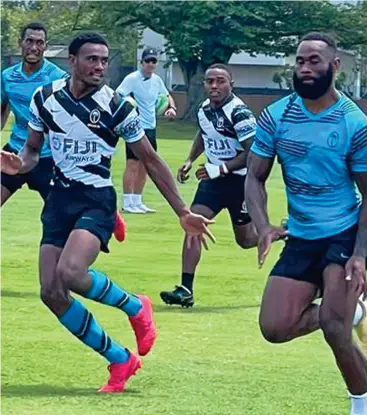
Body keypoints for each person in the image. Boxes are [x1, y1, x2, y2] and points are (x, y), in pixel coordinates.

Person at [0, 33, 214, 393]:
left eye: (103, 60)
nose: (99, 67)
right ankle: (120, 359)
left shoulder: (117, 106)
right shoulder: (45, 98)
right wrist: (20, 164)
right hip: (59, 200)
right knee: (50, 293)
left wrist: (181, 210)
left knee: (70, 273)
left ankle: (135, 306)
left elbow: (149, 158)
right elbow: (34, 151)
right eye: (91, 60)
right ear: (72, 61)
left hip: (96, 200)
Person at [245, 32, 367, 415]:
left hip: (344, 233)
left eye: (314, 62)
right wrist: (264, 224)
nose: (305, 69)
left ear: (334, 66)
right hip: (301, 234)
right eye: (300, 61)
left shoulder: (355, 124)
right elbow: (254, 175)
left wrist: (359, 254)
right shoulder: (276, 116)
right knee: (274, 326)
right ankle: (358, 311)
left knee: (333, 328)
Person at [1, 22, 127, 242]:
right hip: (16, 150)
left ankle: (106, 213)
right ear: (20, 43)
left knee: (65, 218)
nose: (34, 47)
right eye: (29, 41)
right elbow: (3, 111)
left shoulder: (57, 78)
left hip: (51, 157)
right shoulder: (7, 76)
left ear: (45, 47)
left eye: (40, 43)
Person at [160, 64, 258, 307]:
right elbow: (204, 135)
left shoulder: (240, 113)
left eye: (220, 81)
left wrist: (222, 168)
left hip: (240, 182)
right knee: (193, 223)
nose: (214, 86)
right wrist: (190, 160)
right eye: (210, 81)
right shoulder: (204, 109)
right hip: (212, 181)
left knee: (245, 240)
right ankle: (185, 288)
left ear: (231, 84)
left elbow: (254, 153)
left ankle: (282, 231)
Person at [117, 47, 177, 213]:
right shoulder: (132, 78)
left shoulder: (157, 80)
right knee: (133, 164)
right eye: (147, 61)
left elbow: (166, 95)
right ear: (141, 62)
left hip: (150, 127)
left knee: (146, 164)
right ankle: (127, 202)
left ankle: (137, 201)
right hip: (135, 127)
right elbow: (118, 95)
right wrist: (129, 107)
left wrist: (171, 107)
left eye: (153, 61)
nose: (150, 64)